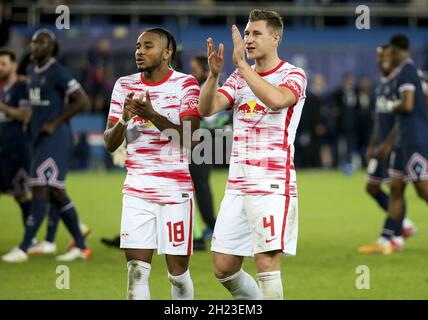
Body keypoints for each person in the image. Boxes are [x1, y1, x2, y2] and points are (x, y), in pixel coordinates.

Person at [199, 9, 306, 299]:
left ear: (275, 37)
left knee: (266, 263)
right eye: (246, 33)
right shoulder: (236, 77)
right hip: (237, 184)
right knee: (223, 267)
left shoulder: (293, 74)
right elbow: (206, 109)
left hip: (272, 184)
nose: (248, 39)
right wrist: (213, 76)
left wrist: (243, 68)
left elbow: (276, 100)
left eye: (256, 33)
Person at [104, 28, 201, 300]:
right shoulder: (124, 85)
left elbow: (192, 140)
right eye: (138, 46)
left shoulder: (186, 84)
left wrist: (152, 115)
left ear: (167, 52)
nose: (139, 51)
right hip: (137, 190)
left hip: (175, 193)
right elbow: (110, 143)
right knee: (136, 271)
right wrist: (124, 118)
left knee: (178, 277)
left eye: (148, 46)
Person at [2, 29, 92, 263]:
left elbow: (82, 100)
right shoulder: (31, 70)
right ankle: (81, 246)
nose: (36, 46)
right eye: (34, 42)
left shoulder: (58, 71)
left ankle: (24, 247)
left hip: (56, 138)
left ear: (52, 48)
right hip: (37, 138)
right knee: (55, 192)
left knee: (42, 189)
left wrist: (55, 122)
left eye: (42, 42)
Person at [364, 34, 428, 255]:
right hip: (402, 142)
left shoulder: (409, 71)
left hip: (414, 141)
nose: (387, 57)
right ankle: (388, 239)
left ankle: (393, 236)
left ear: (399, 52)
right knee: (395, 189)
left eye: (390, 53)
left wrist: (393, 106)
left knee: (423, 191)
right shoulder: (394, 77)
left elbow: (408, 105)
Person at [0, 48, 32, 228]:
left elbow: (25, 115)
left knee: (21, 195)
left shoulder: (21, 88)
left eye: (3, 64)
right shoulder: (4, 90)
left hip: (16, 151)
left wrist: (2, 107)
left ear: (13, 66)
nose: (0, 68)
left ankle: (31, 237)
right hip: (3, 151)